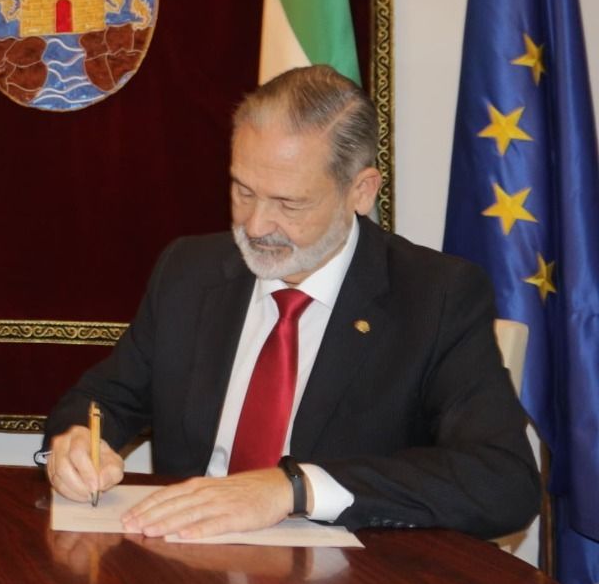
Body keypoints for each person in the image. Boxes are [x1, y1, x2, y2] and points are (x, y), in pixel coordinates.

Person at [44, 65, 539, 540]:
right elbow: (103, 399)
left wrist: (295, 488)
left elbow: (501, 481)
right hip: (184, 568)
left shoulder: (435, 295)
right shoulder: (189, 271)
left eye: (288, 204)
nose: (256, 226)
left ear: (361, 191)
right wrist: (77, 442)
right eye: (243, 190)